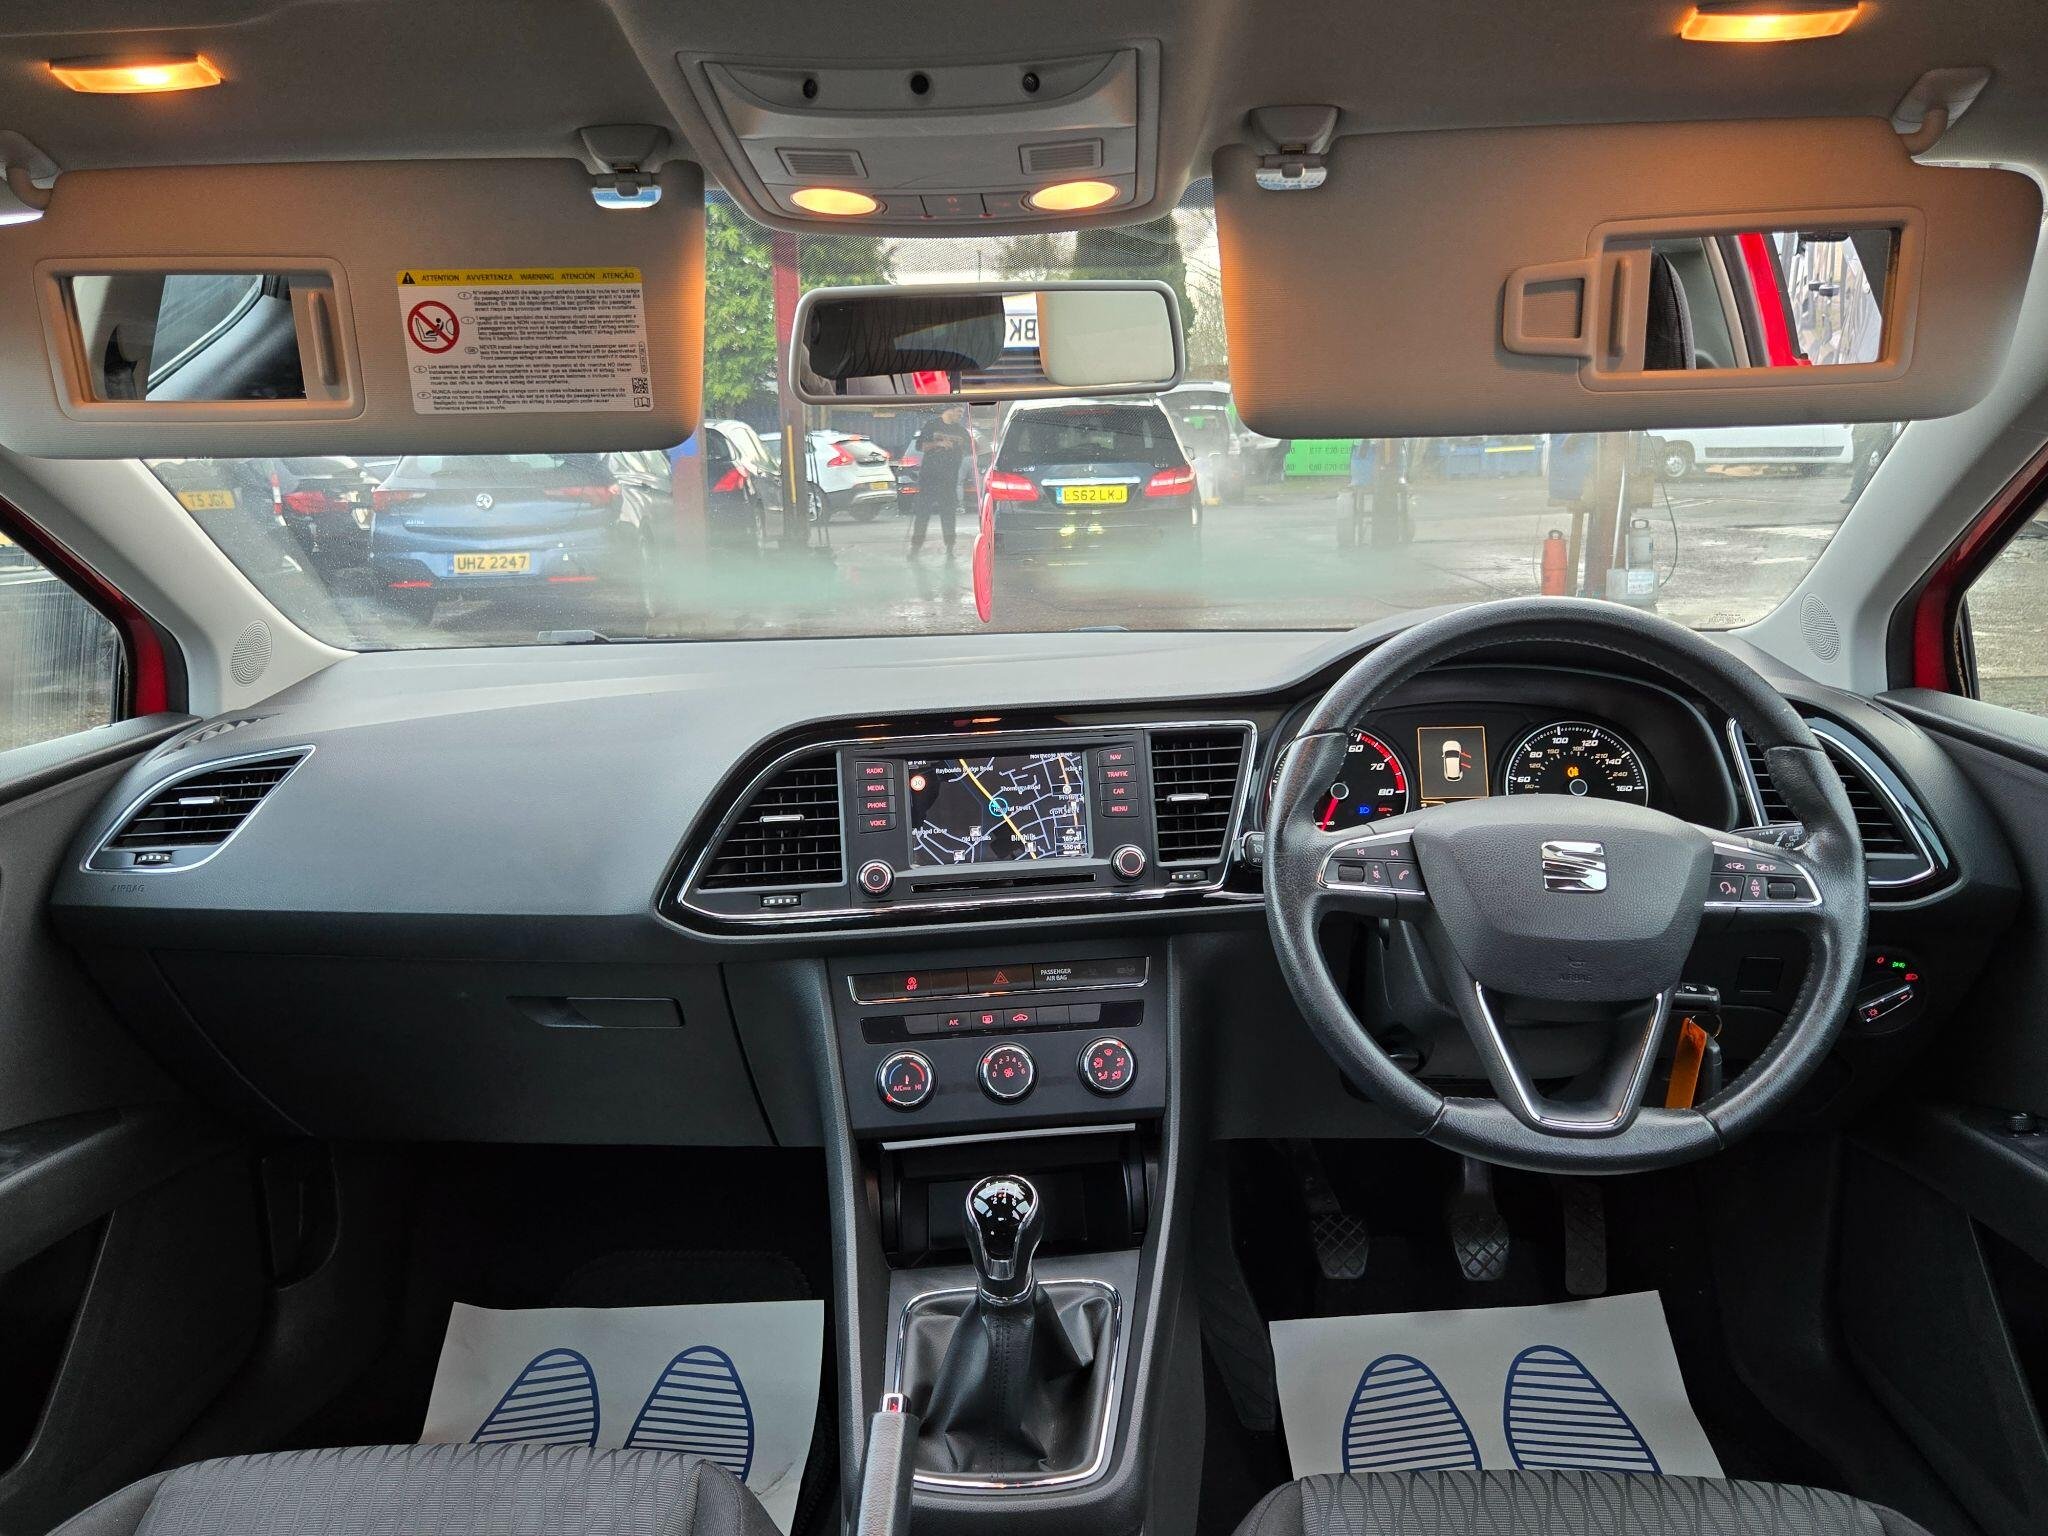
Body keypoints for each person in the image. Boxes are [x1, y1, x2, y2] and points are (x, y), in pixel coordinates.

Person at [909, 405, 969, 557]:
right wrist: (938, 444)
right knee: (922, 513)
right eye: (959, 411)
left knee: (948, 514)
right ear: (949, 410)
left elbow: (974, 448)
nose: (961, 415)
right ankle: (915, 547)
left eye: (962, 412)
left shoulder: (961, 431)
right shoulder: (931, 426)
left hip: (949, 479)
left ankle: (950, 548)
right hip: (929, 478)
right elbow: (920, 446)